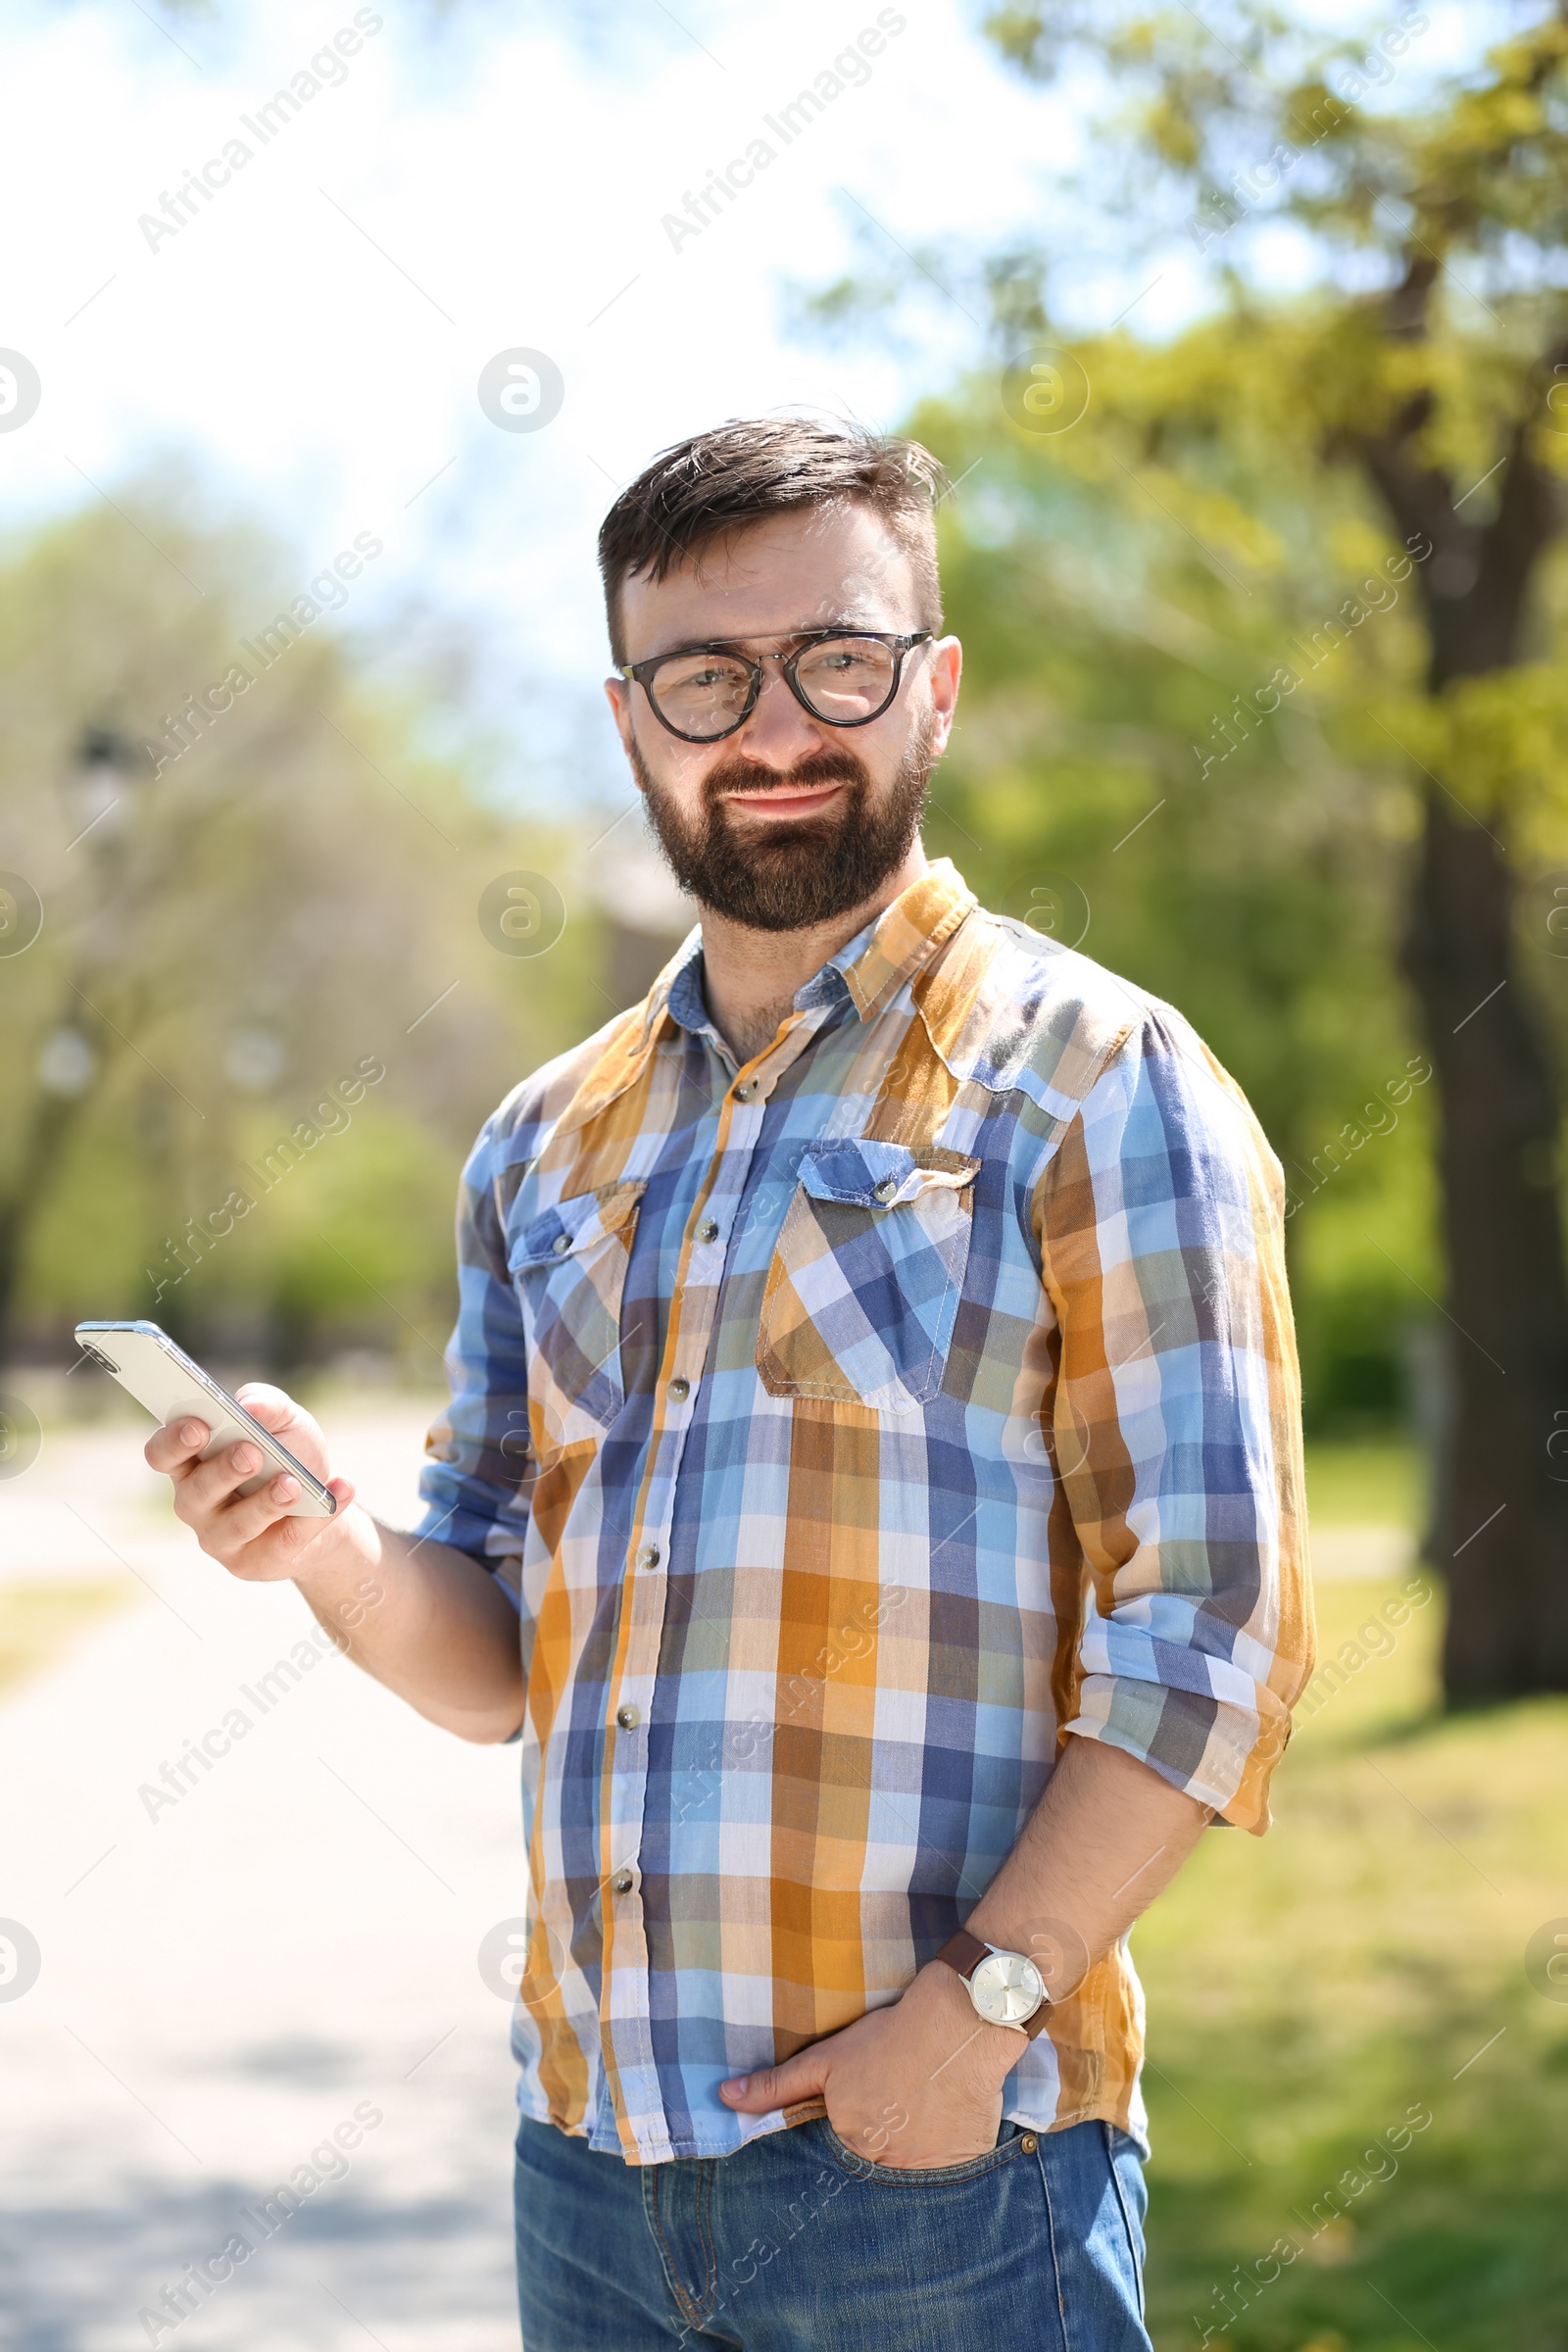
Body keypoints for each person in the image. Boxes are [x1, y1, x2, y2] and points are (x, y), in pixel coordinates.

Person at [148, 416, 1315, 2350]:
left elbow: (1214, 1630)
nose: (771, 724)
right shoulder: (543, 1144)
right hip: (587, 2174)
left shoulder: (1097, 1082)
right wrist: (327, 1546)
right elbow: (484, 1646)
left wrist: (970, 2023)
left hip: (943, 2187)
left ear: (930, 687)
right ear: (631, 722)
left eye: (833, 661)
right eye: (705, 676)